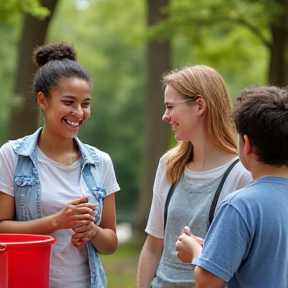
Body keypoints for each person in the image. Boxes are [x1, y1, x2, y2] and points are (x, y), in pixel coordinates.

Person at [0, 43, 120, 288]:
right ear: (42, 100)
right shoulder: (12, 155)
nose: (78, 112)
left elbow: (111, 243)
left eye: (85, 104)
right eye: (69, 102)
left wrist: (93, 232)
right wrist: (57, 221)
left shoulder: (101, 163)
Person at [137, 65, 252, 288]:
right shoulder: (168, 165)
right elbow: (153, 246)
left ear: (199, 105)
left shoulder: (242, 174)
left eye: (170, 107)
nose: (164, 116)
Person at [176, 86, 288, 288]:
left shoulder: (240, 205)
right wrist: (214, 252)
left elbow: (208, 280)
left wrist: (196, 252)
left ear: (246, 144)